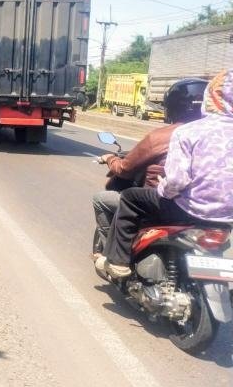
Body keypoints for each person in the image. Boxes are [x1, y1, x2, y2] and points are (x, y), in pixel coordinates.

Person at [97, 69, 233, 279]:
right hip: (226, 218)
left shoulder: (187, 132)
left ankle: (118, 262)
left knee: (130, 197)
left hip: (189, 210)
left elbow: (176, 180)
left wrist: (163, 187)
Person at [92, 78, 208, 248]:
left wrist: (110, 158)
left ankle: (113, 255)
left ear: (172, 107)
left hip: (168, 206)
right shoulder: (220, 136)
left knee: (104, 199)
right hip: (211, 210)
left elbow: (124, 169)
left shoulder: (164, 136)